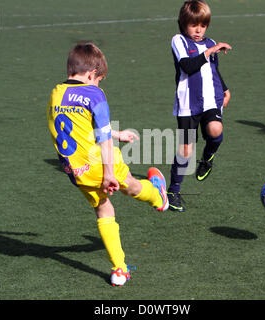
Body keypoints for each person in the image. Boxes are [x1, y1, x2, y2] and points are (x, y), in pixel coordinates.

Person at [47, 42, 169, 286]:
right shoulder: (95, 94)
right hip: (99, 164)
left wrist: (117, 133)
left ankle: (119, 270)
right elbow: (100, 138)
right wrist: (109, 173)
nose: (99, 84)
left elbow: (76, 129)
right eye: (99, 79)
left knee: (103, 209)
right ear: (92, 74)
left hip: (76, 171)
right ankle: (159, 198)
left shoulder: (57, 92)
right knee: (132, 186)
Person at [167, 0, 232, 212]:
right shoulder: (179, 41)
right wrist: (208, 51)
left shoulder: (210, 42)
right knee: (186, 151)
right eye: (194, 25)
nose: (198, 30)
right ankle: (173, 190)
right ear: (183, 23)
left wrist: (225, 89)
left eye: (202, 26)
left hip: (211, 99)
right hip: (188, 104)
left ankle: (207, 159)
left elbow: (213, 70)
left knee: (216, 129)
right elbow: (187, 66)